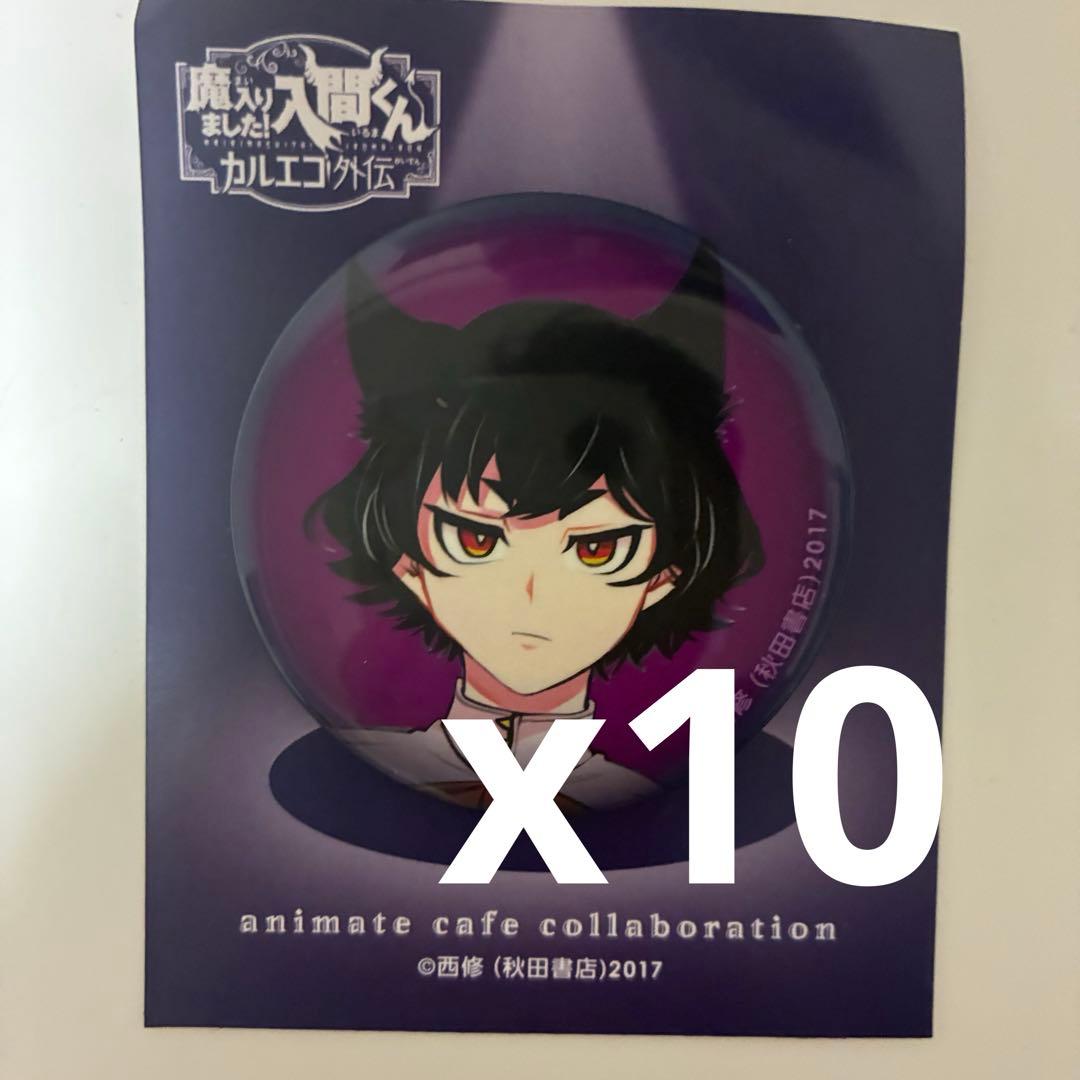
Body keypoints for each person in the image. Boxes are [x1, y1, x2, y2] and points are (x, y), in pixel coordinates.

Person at [308, 245, 764, 810]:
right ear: (406, 563)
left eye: (596, 549)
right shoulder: (359, 764)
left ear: (663, 577)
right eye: (476, 540)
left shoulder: (641, 796)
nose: (532, 594)